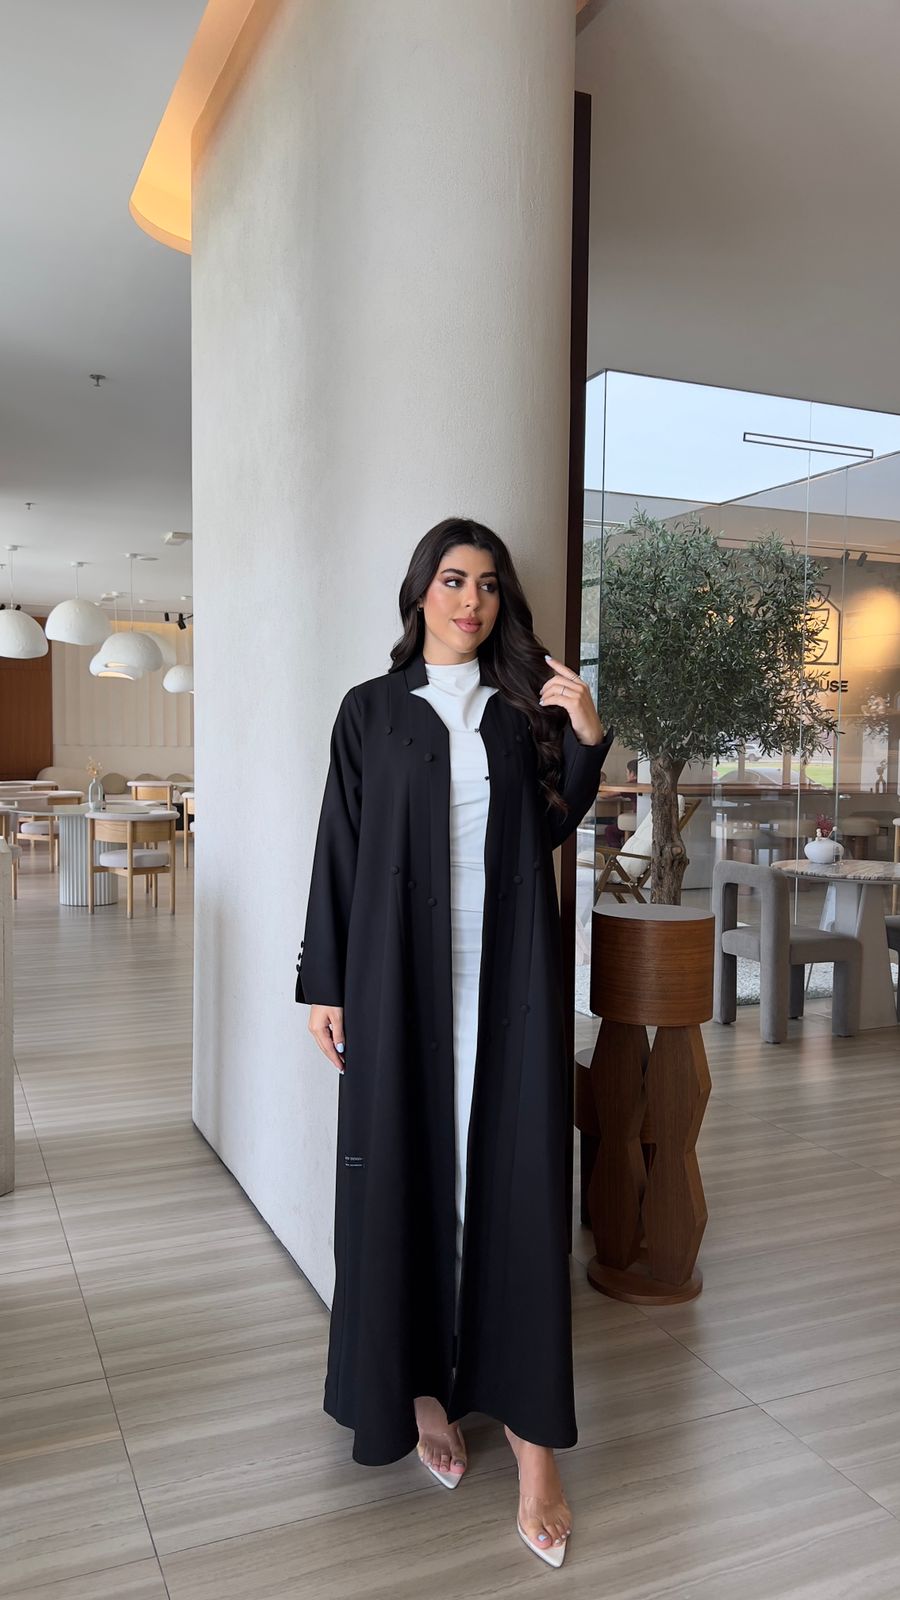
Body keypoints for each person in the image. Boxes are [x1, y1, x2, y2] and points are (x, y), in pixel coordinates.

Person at [295, 517, 611, 1567]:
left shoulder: (521, 712)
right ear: (420, 593)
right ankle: (424, 1389)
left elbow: (552, 824)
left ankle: (532, 1443)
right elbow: (340, 847)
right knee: (411, 1178)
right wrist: (324, 982)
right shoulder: (372, 712)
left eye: (487, 584)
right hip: (399, 989)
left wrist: (588, 737)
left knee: (514, 1188)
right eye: (452, 579)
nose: (471, 600)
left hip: (507, 986)